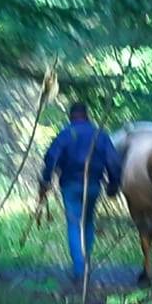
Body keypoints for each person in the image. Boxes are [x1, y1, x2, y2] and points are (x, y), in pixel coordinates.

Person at [39, 103, 121, 281]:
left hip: (71, 185)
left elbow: (51, 157)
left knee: (74, 224)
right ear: (87, 115)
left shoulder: (66, 134)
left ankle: (79, 268)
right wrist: (113, 184)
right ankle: (86, 262)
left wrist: (46, 180)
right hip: (93, 185)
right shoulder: (100, 135)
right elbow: (114, 161)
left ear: (71, 116)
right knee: (88, 222)